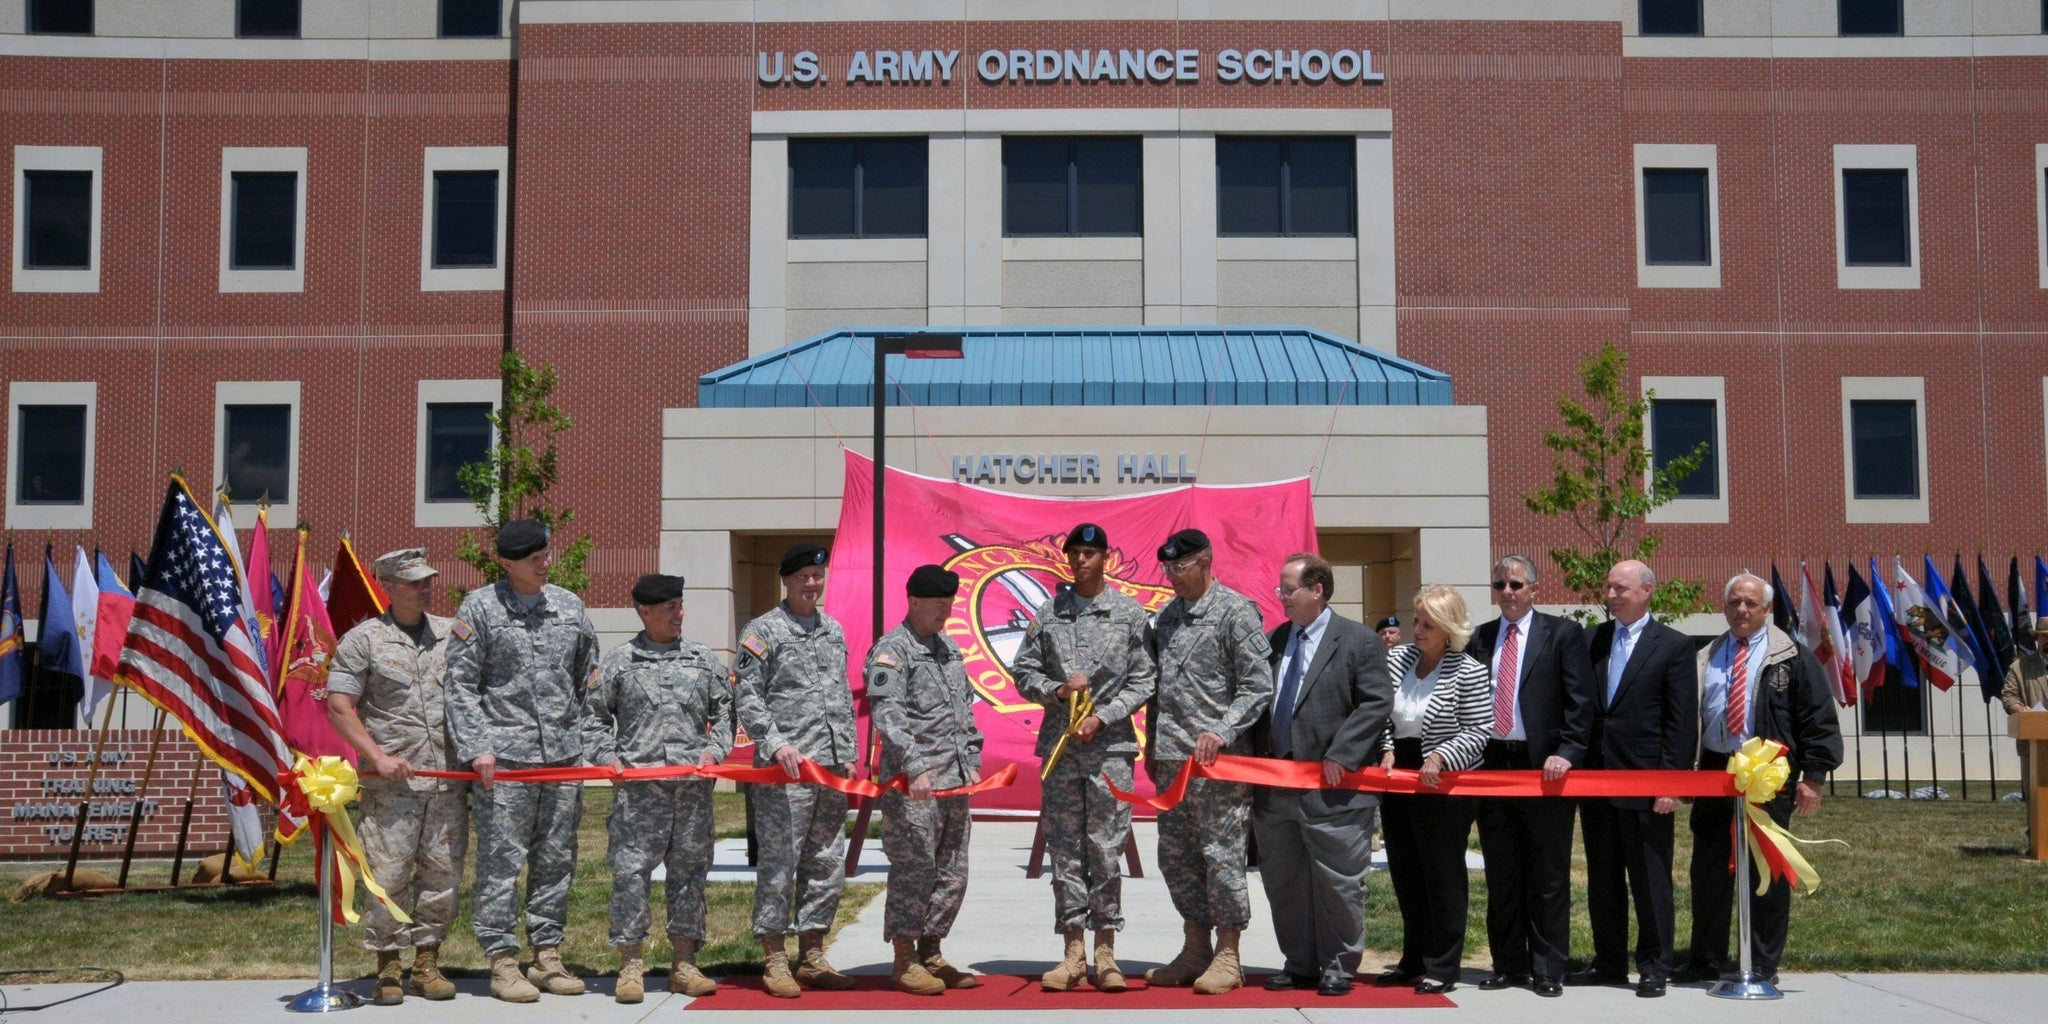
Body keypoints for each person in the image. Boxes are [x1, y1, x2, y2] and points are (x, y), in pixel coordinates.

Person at [445, 518, 601, 1002]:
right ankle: (501, 959)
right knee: (501, 861)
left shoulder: (569, 607)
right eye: (534, 559)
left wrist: (586, 742)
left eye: (546, 554)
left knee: (556, 859)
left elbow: (587, 680)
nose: (545, 563)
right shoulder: (481, 608)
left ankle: (548, 953)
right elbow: (460, 684)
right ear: (507, 563)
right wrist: (477, 747)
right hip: (505, 761)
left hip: (561, 758)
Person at [1009, 523, 1156, 992]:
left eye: (1090, 553)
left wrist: (1106, 716)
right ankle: (1072, 950)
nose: (1081, 561)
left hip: (1110, 748)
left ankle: (1106, 949)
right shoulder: (1049, 614)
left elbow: (1144, 679)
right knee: (1066, 850)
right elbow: (1023, 671)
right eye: (1074, 553)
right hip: (1061, 748)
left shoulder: (1129, 615)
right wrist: (1054, 689)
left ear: (1105, 558)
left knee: (1106, 849)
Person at [1677, 573, 1842, 985]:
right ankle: (1705, 961)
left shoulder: (1793, 657)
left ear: (1767, 609)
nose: (1742, 610)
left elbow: (1817, 720)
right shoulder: (1707, 654)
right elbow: (1688, 719)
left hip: (1769, 775)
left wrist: (1814, 777)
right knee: (1710, 873)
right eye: (1734, 602)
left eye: (1751, 603)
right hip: (1716, 773)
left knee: (1765, 874)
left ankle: (1763, 963)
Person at [583, 574, 734, 1003]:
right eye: (669, 607)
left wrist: (715, 751)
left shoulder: (703, 659)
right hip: (639, 794)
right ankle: (630, 965)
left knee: (689, 877)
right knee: (631, 876)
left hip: (691, 792)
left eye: (680, 605)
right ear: (643, 611)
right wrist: (606, 756)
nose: (678, 614)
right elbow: (591, 717)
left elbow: (726, 713)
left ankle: (684, 964)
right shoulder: (619, 662)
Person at [325, 548, 466, 1006]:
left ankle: (427, 962)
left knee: (442, 875)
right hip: (393, 787)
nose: (425, 587)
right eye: (413, 582)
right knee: (389, 873)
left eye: (428, 579)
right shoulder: (363, 640)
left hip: (446, 782)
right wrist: (377, 756)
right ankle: (387, 963)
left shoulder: (453, 635)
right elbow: (339, 707)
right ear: (388, 586)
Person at [1249, 552, 1392, 997]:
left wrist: (1344, 753)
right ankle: (1300, 962)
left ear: (1318, 590)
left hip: (1334, 790)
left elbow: (1375, 701)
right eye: (1281, 589)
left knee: (1337, 883)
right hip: (1277, 788)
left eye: (1288, 589)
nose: (1282, 597)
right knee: (1285, 881)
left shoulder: (1356, 640)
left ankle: (1338, 964)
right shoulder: (1276, 640)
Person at [1144, 528, 1275, 995]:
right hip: (1172, 763)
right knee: (1176, 858)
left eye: (1180, 568)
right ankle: (1195, 946)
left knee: (1221, 858)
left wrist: (1222, 729)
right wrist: (1151, 749)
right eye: (1167, 569)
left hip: (1219, 764)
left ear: (1205, 561)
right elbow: (1159, 691)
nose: (1172, 577)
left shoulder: (1235, 613)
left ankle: (1228, 953)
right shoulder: (1167, 619)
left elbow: (1258, 685)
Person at [731, 543, 860, 997]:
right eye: (804, 576)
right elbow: (746, 693)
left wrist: (848, 750)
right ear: (786, 580)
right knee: (780, 864)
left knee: (826, 862)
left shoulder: (833, 630)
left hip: (828, 769)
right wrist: (776, 742)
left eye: (817, 576)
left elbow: (841, 695)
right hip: (784, 771)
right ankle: (774, 956)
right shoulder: (763, 631)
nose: (812, 583)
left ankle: (812, 952)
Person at [1465, 554, 1595, 997]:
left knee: (1547, 873)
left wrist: (1568, 752)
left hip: (1545, 768)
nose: (1507, 592)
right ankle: (1508, 966)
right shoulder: (1480, 638)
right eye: (1500, 584)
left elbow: (1581, 704)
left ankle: (1548, 968)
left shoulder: (1562, 634)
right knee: (1502, 871)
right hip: (1492, 765)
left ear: (1534, 590)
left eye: (1516, 585)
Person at [1569, 559, 1698, 998]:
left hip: (1646, 783)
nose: (1610, 595)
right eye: (1607, 588)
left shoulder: (1674, 646)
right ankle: (1608, 962)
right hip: (1597, 780)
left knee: (1649, 878)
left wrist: (1670, 785)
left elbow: (1681, 724)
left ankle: (1655, 965)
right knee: (1603, 878)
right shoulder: (1593, 640)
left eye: (1619, 588)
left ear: (1646, 591)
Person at [866, 564, 985, 996]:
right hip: (913, 783)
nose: (946, 614)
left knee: (953, 872)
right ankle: (904, 956)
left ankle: (932, 951)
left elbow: (965, 713)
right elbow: (888, 715)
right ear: (914, 601)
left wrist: (971, 758)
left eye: (949, 606)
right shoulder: (892, 651)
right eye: (938, 607)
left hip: (954, 783)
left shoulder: (949, 651)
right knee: (915, 869)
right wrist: (914, 765)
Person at [1375, 584, 1490, 995]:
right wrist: (1386, 748)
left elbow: (1480, 730)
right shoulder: (1398, 659)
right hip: (1398, 775)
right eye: (1416, 621)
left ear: (1447, 628)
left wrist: (1441, 756)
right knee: (1405, 871)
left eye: (1427, 624)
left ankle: (1442, 965)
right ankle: (1412, 959)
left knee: (1442, 873)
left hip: (1445, 780)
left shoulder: (1470, 671)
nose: (1417, 630)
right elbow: (1381, 712)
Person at [2002, 623, 2048, 795]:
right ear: (2037, 639)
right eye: (2044, 636)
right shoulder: (2019, 667)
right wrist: (2019, 709)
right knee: (2035, 799)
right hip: (2033, 747)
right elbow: (2009, 696)